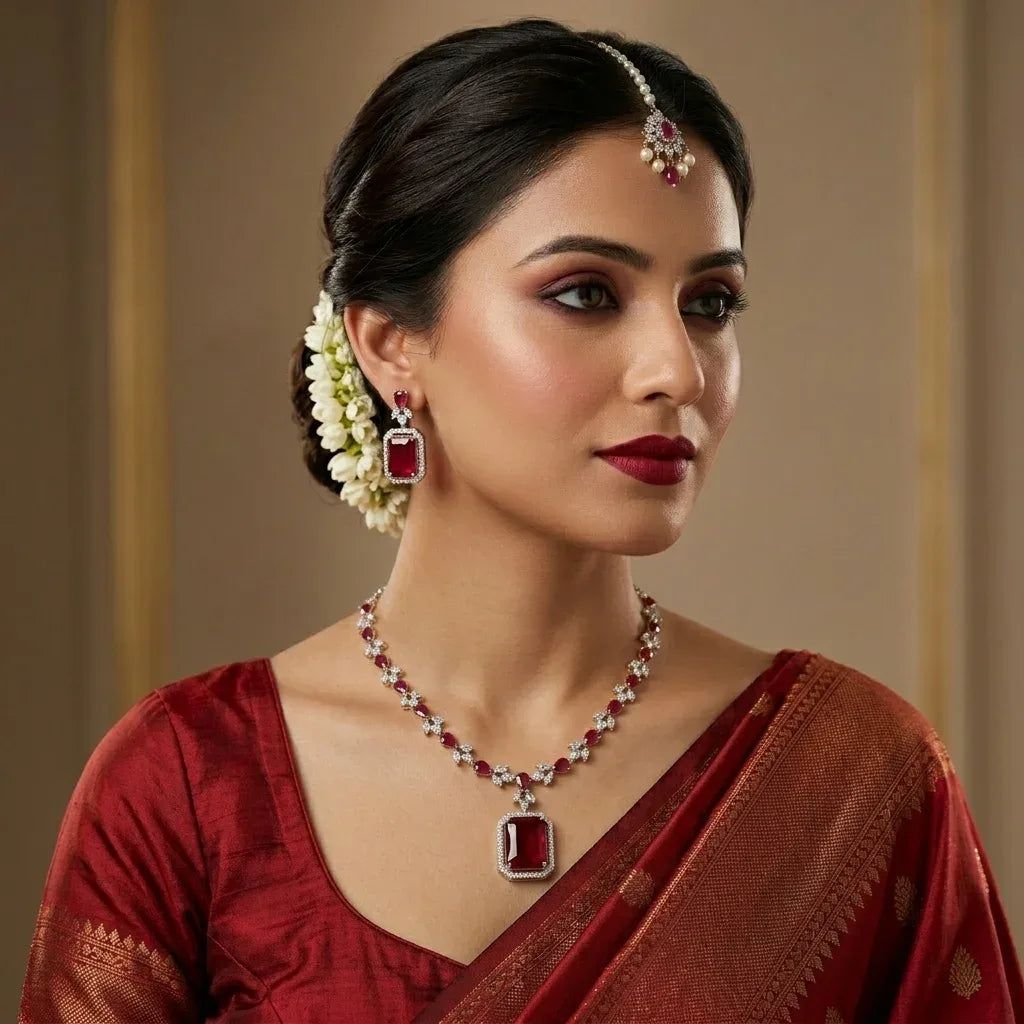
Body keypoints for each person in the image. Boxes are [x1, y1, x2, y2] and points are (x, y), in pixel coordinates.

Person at [18, 16, 1024, 1024]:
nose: (676, 370)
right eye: (586, 293)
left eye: (710, 303)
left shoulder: (848, 779)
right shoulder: (190, 784)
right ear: (391, 343)